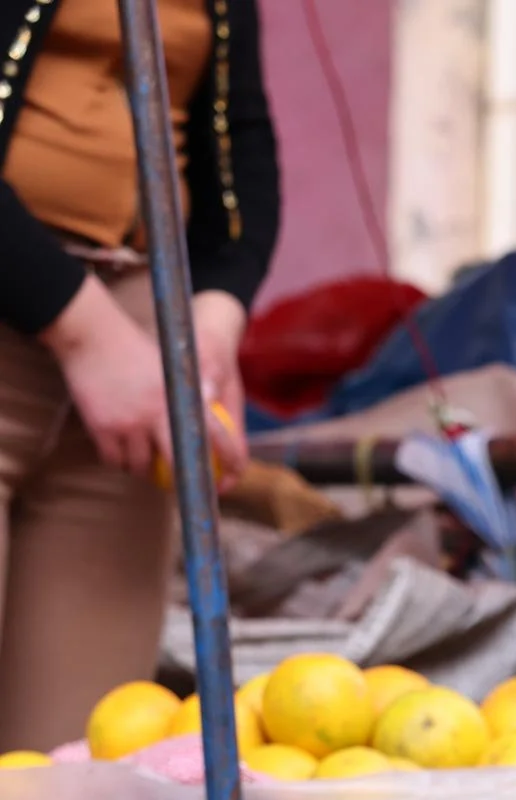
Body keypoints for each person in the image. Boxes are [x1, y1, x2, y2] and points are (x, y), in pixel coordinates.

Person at [0, 0, 280, 750]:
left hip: (140, 332)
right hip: (54, 312)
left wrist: (215, 317)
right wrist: (85, 333)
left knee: (72, 767)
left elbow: (237, 132)